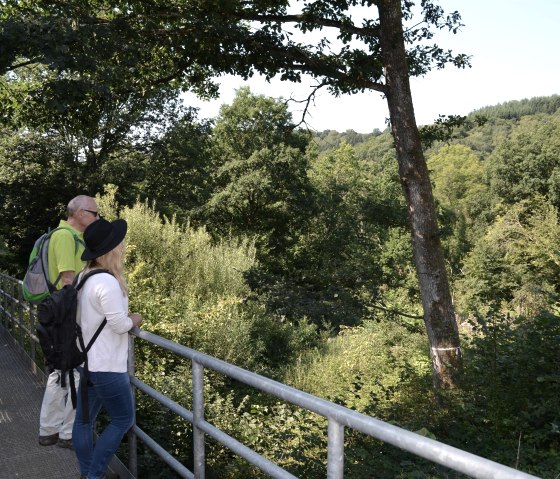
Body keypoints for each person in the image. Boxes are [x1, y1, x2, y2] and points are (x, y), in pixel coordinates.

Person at [72, 217, 142, 479]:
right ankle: (94, 475)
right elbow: (120, 324)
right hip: (107, 367)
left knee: (83, 421)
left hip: (87, 363)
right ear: (110, 249)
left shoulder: (84, 276)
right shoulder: (107, 283)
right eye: (119, 242)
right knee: (123, 420)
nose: (123, 245)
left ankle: (88, 473)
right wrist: (136, 318)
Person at [39, 195, 101, 449]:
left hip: (61, 312)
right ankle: (65, 433)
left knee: (63, 371)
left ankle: (52, 429)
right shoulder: (65, 236)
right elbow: (68, 279)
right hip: (67, 313)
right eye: (94, 213)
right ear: (77, 213)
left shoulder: (69, 236)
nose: (98, 218)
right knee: (72, 370)